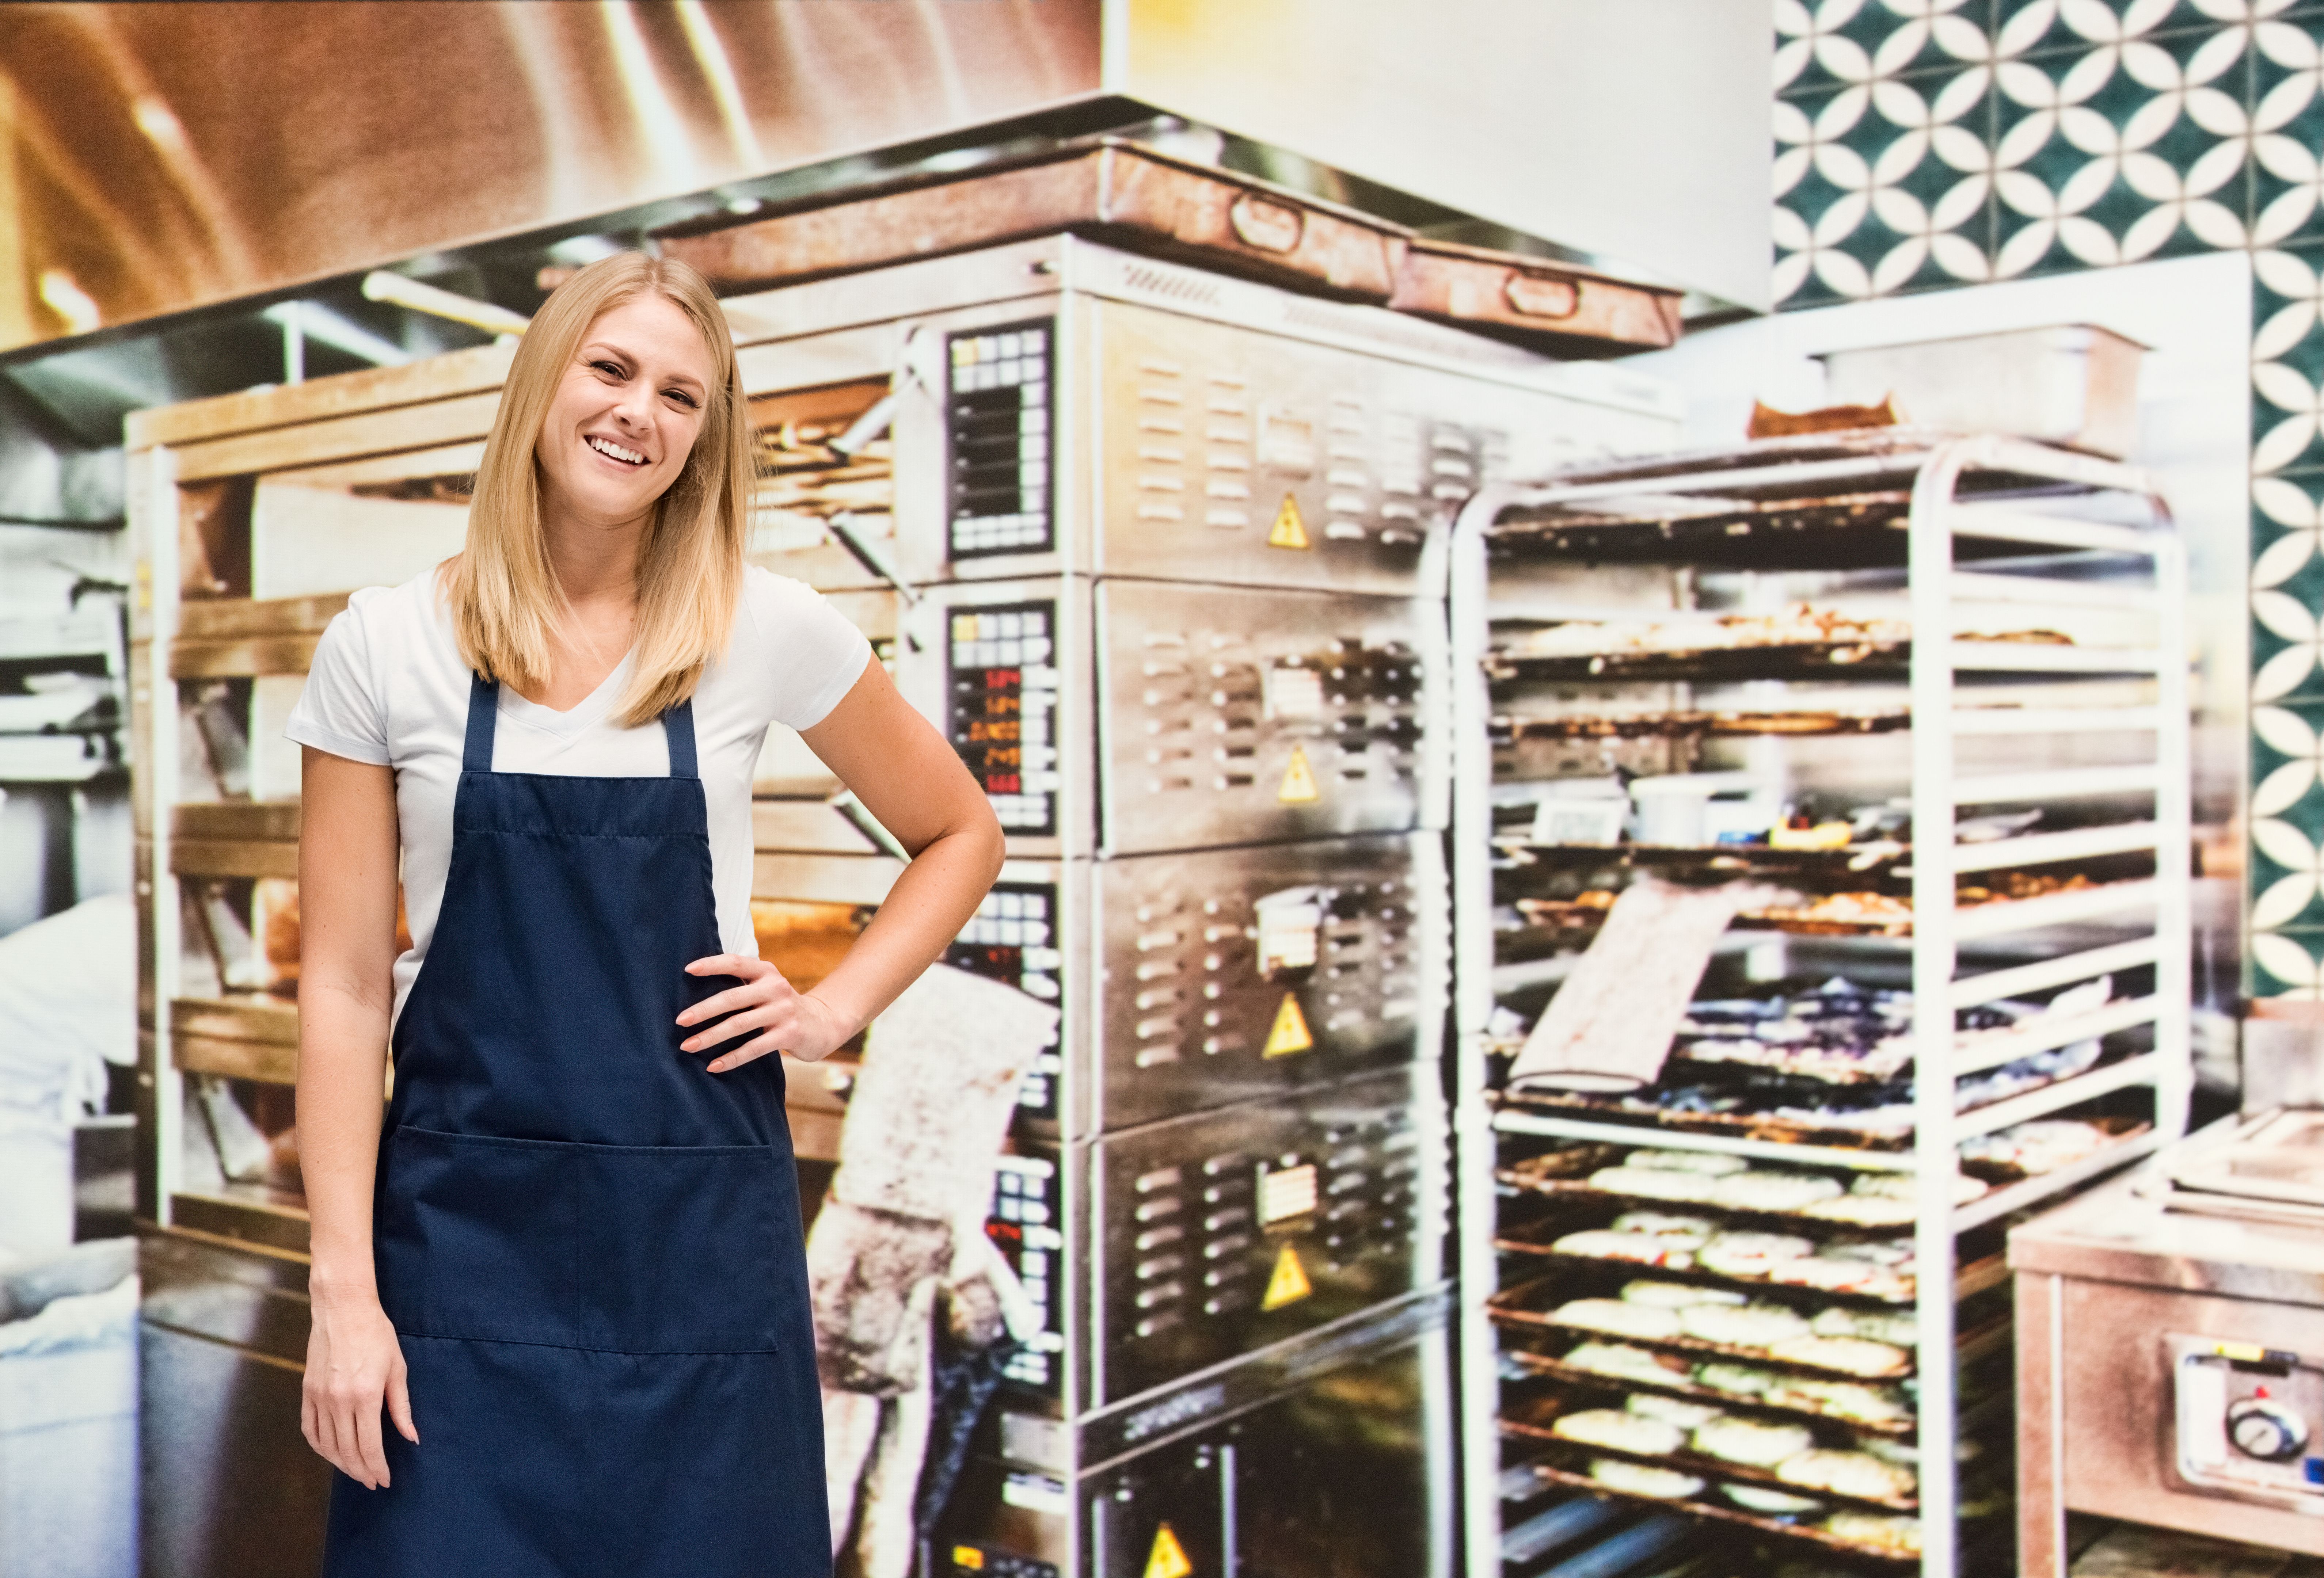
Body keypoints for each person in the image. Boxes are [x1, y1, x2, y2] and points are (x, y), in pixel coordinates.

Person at [287, 251, 1002, 1577]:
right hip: (459, 1255)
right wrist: (345, 1292)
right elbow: (338, 982)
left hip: (700, 1265)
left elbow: (959, 832)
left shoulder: (761, 625)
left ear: (705, 435)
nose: (640, 413)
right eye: (611, 369)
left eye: (684, 395)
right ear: (543, 384)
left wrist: (836, 1006)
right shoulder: (385, 645)